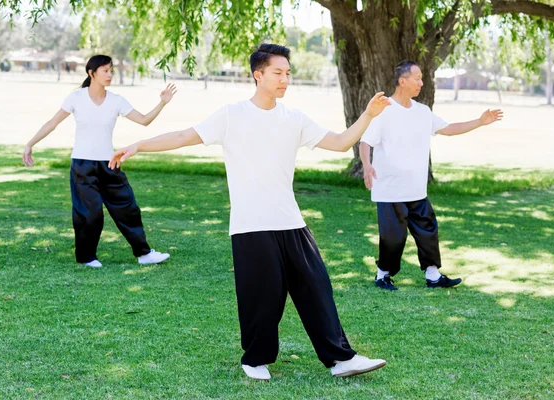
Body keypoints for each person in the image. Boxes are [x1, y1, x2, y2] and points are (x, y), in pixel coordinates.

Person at [109, 44, 391, 380]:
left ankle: (341, 359)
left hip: (291, 221)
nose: (285, 78)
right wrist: (139, 144)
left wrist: (369, 115)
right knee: (262, 296)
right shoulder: (232, 115)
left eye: (288, 73)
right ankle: (255, 360)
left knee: (316, 287)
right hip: (250, 225)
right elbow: (185, 136)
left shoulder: (295, 118)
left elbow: (342, 142)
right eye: (278, 72)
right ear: (258, 74)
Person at [359, 60, 503, 291]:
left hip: (416, 188)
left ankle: (433, 275)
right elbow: (365, 141)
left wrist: (479, 122)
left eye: (422, 78)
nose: (421, 82)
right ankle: (383, 275)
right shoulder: (384, 110)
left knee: (428, 231)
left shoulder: (422, 112)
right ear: (402, 81)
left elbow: (448, 128)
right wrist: (367, 165)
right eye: (417, 78)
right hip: (389, 188)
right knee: (393, 237)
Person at [23, 54, 173, 268]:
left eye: (111, 70)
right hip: (83, 165)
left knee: (128, 209)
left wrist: (162, 103)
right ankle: (87, 257)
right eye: (105, 70)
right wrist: (30, 144)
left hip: (110, 163)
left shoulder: (116, 100)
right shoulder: (76, 98)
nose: (110, 74)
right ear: (91, 73)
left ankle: (144, 253)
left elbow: (144, 120)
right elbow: (52, 123)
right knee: (89, 214)